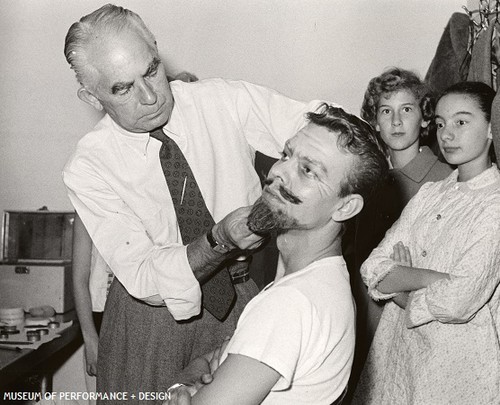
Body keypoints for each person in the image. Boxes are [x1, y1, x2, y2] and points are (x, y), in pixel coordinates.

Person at [62, 4, 324, 400]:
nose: (150, 96)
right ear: (91, 96)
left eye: (151, 70)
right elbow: (148, 279)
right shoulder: (88, 166)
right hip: (146, 325)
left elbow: (316, 123)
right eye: (123, 88)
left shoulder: (221, 100)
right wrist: (220, 240)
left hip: (238, 303)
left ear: (156, 49)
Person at [164, 104, 388, 405]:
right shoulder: (318, 280)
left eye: (308, 171)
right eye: (286, 154)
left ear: (345, 207)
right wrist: (192, 376)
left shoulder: (291, 303)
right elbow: (224, 356)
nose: (278, 171)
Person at [353, 81, 500, 404]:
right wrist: (435, 279)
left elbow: (457, 302)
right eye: (440, 124)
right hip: (399, 358)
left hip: (458, 369)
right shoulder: (431, 194)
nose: (446, 134)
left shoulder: (495, 204)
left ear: (492, 128)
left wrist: (403, 281)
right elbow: (373, 267)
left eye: (461, 122)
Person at [346, 67, 453, 394]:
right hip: (363, 313)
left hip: (412, 319)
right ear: (374, 122)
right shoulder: (369, 182)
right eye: (385, 111)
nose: (395, 121)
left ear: (424, 119)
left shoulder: (445, 178)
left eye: (406, 110)